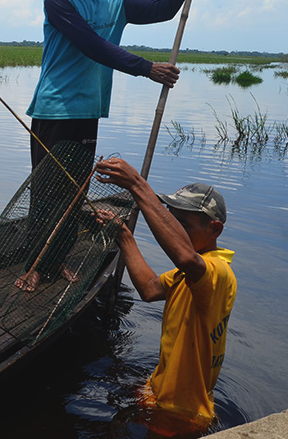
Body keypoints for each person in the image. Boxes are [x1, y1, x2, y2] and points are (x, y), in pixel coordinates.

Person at [16, 0, 214, 292]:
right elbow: (92, 45)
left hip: (89, 108)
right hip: (54, 109)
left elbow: (166, 8)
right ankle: (34, 265)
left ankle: (57, 259)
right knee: (46, 191)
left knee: (76, 190)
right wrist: (146, 67)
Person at [94, 156, 236, 427]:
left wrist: (137, 185)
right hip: (158, 393)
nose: (175, 229)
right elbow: (149, 288)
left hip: (180, 413)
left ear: (214, 229)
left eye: (184, 224)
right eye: (173, 220)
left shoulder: (217, 273)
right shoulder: (192, 274)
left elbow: (184, 257)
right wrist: (123, 235)